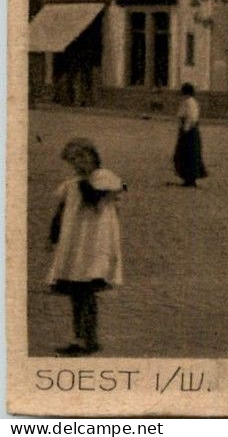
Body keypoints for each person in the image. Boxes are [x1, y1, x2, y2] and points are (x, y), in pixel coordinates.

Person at [47, 138, 124, 356]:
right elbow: (61, 210)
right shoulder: (71, 183)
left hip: (94, 247)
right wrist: (53, 236)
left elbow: (94, 197)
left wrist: (83, 179)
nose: (77, 163)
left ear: (92, 156)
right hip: (75, 246)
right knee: (76, 292)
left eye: (81, 157)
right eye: (73, 160)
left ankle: (88, 339)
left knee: (86, 291)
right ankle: (79, 337)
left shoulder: (103, 178)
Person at [172, 84, 208, 186]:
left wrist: (185, 130)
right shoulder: (186, 102)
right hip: (187, 131)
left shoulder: (190, 102)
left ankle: (190, 179)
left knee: (189, 155)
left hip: (189, 132)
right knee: (183, 155)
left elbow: (192, 118)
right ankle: (187, 177)